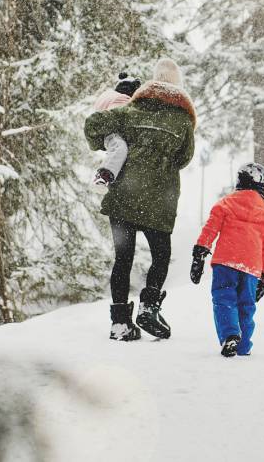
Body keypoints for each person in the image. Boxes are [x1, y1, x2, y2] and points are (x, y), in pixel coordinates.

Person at [84, 58, 195, 341]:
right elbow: (184, 158)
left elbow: (95, 123)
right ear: (177, 84)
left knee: (123, 258)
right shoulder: (183, 120)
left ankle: (120, 323)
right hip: (159, 200)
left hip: (124, 196)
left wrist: (107, 145)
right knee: (161, 256)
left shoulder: (132, 110)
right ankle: (149, 305)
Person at [190, 163, 264, 357]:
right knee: (247, 305)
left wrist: (200, 253)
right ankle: (244, 345)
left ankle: (230, 335)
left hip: (226, 262)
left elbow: (210, 229)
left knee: (224, 299)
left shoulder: (225, 203)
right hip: (252, 267)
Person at [90, 72, 141, 191]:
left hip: (109, 132)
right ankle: (103, 177)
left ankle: (112, 173)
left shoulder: (110, 96)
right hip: (112, 133)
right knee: (120, 148)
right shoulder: (121, 99)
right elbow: (117, 114)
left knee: (119, 151)